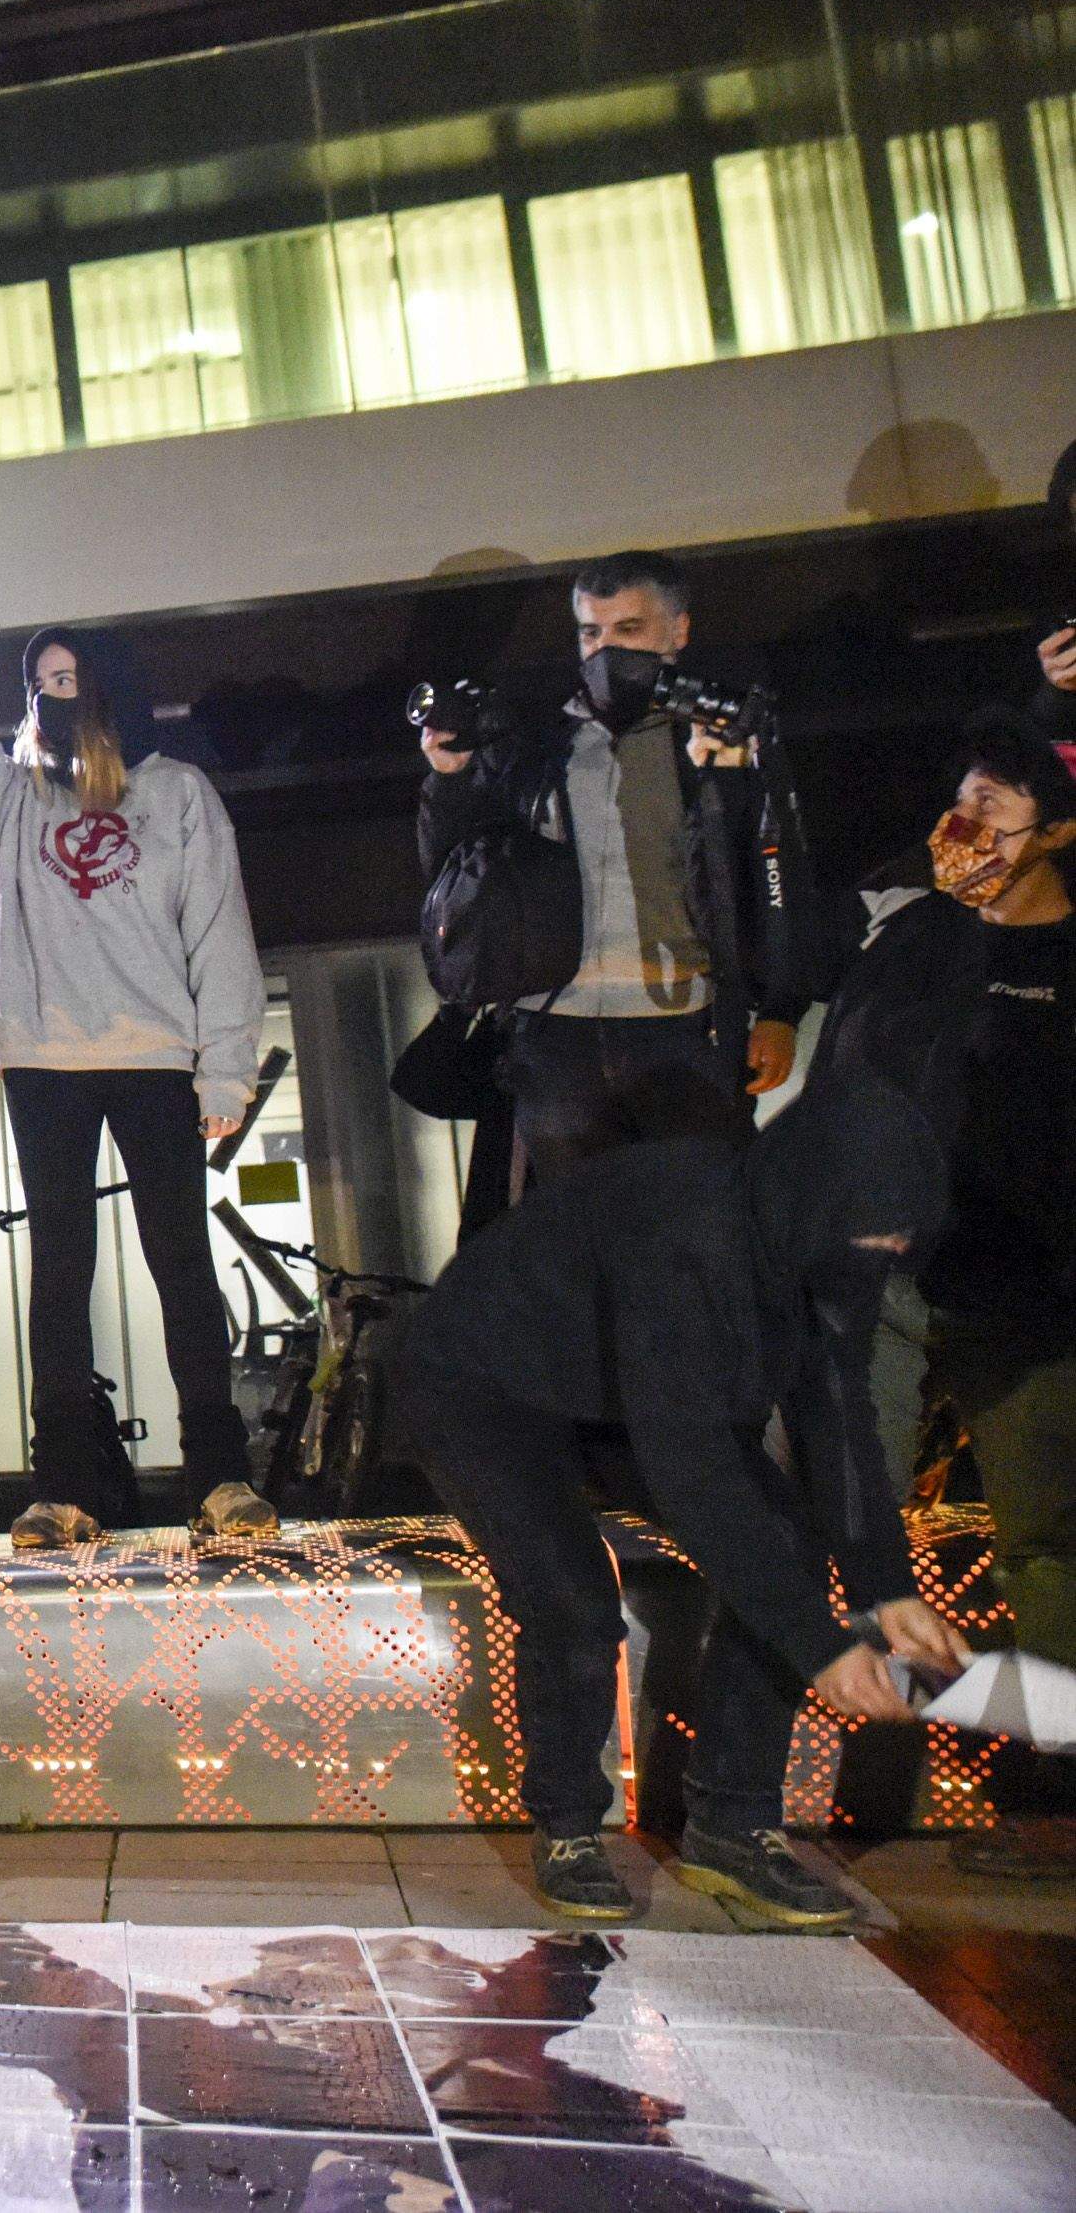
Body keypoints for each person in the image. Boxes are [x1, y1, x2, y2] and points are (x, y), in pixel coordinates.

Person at [391, 1077, 971, 1927]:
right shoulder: (683, 1237)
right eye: (871, 1229)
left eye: (899, 1237)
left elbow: (836, 1421)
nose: (884, 1250)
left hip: (620, 1389)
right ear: (816, 1199)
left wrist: (887, 1590)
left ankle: (731, 1826)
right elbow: (692, 1469)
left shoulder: (816, 1247)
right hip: (482, 1382)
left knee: (788, 1541)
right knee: (570, 1595)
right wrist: (818, 1645)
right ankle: (564, 1825)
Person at [0, 531, 271, 1550]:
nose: (58, 695)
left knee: (180, 1261)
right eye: (42, 683)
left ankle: (221, 1479)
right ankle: (63, 1489)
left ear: (113, 685)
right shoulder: (14, 802)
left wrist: (226, 1065)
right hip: (46, 1056)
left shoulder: (178, 796)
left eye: (73, 678)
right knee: (59, 1269)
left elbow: (220, 932)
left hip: (157, 1054)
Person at [815, 702, 1076, 1879]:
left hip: (1030, 1290)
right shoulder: (916, 941)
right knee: (839, 1497)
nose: (966, 830)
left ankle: (1049, 1797)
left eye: (996, 812)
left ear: (1056, 835)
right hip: (897, 1273)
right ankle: (802, 1777)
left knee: (1051, 1549)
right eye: (959, 804)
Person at [418, 551, 820, 1191]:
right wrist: (449, 780)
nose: (606, 650)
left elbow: (778, 874)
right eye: (590, 632)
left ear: (678, 632)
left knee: (704, 1226)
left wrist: (780, 1009)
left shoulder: (724, 734)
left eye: (627, 631)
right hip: (554, 1031)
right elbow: (454, 873)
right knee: (587, 1244)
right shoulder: (537, 741)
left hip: (687, 1025)